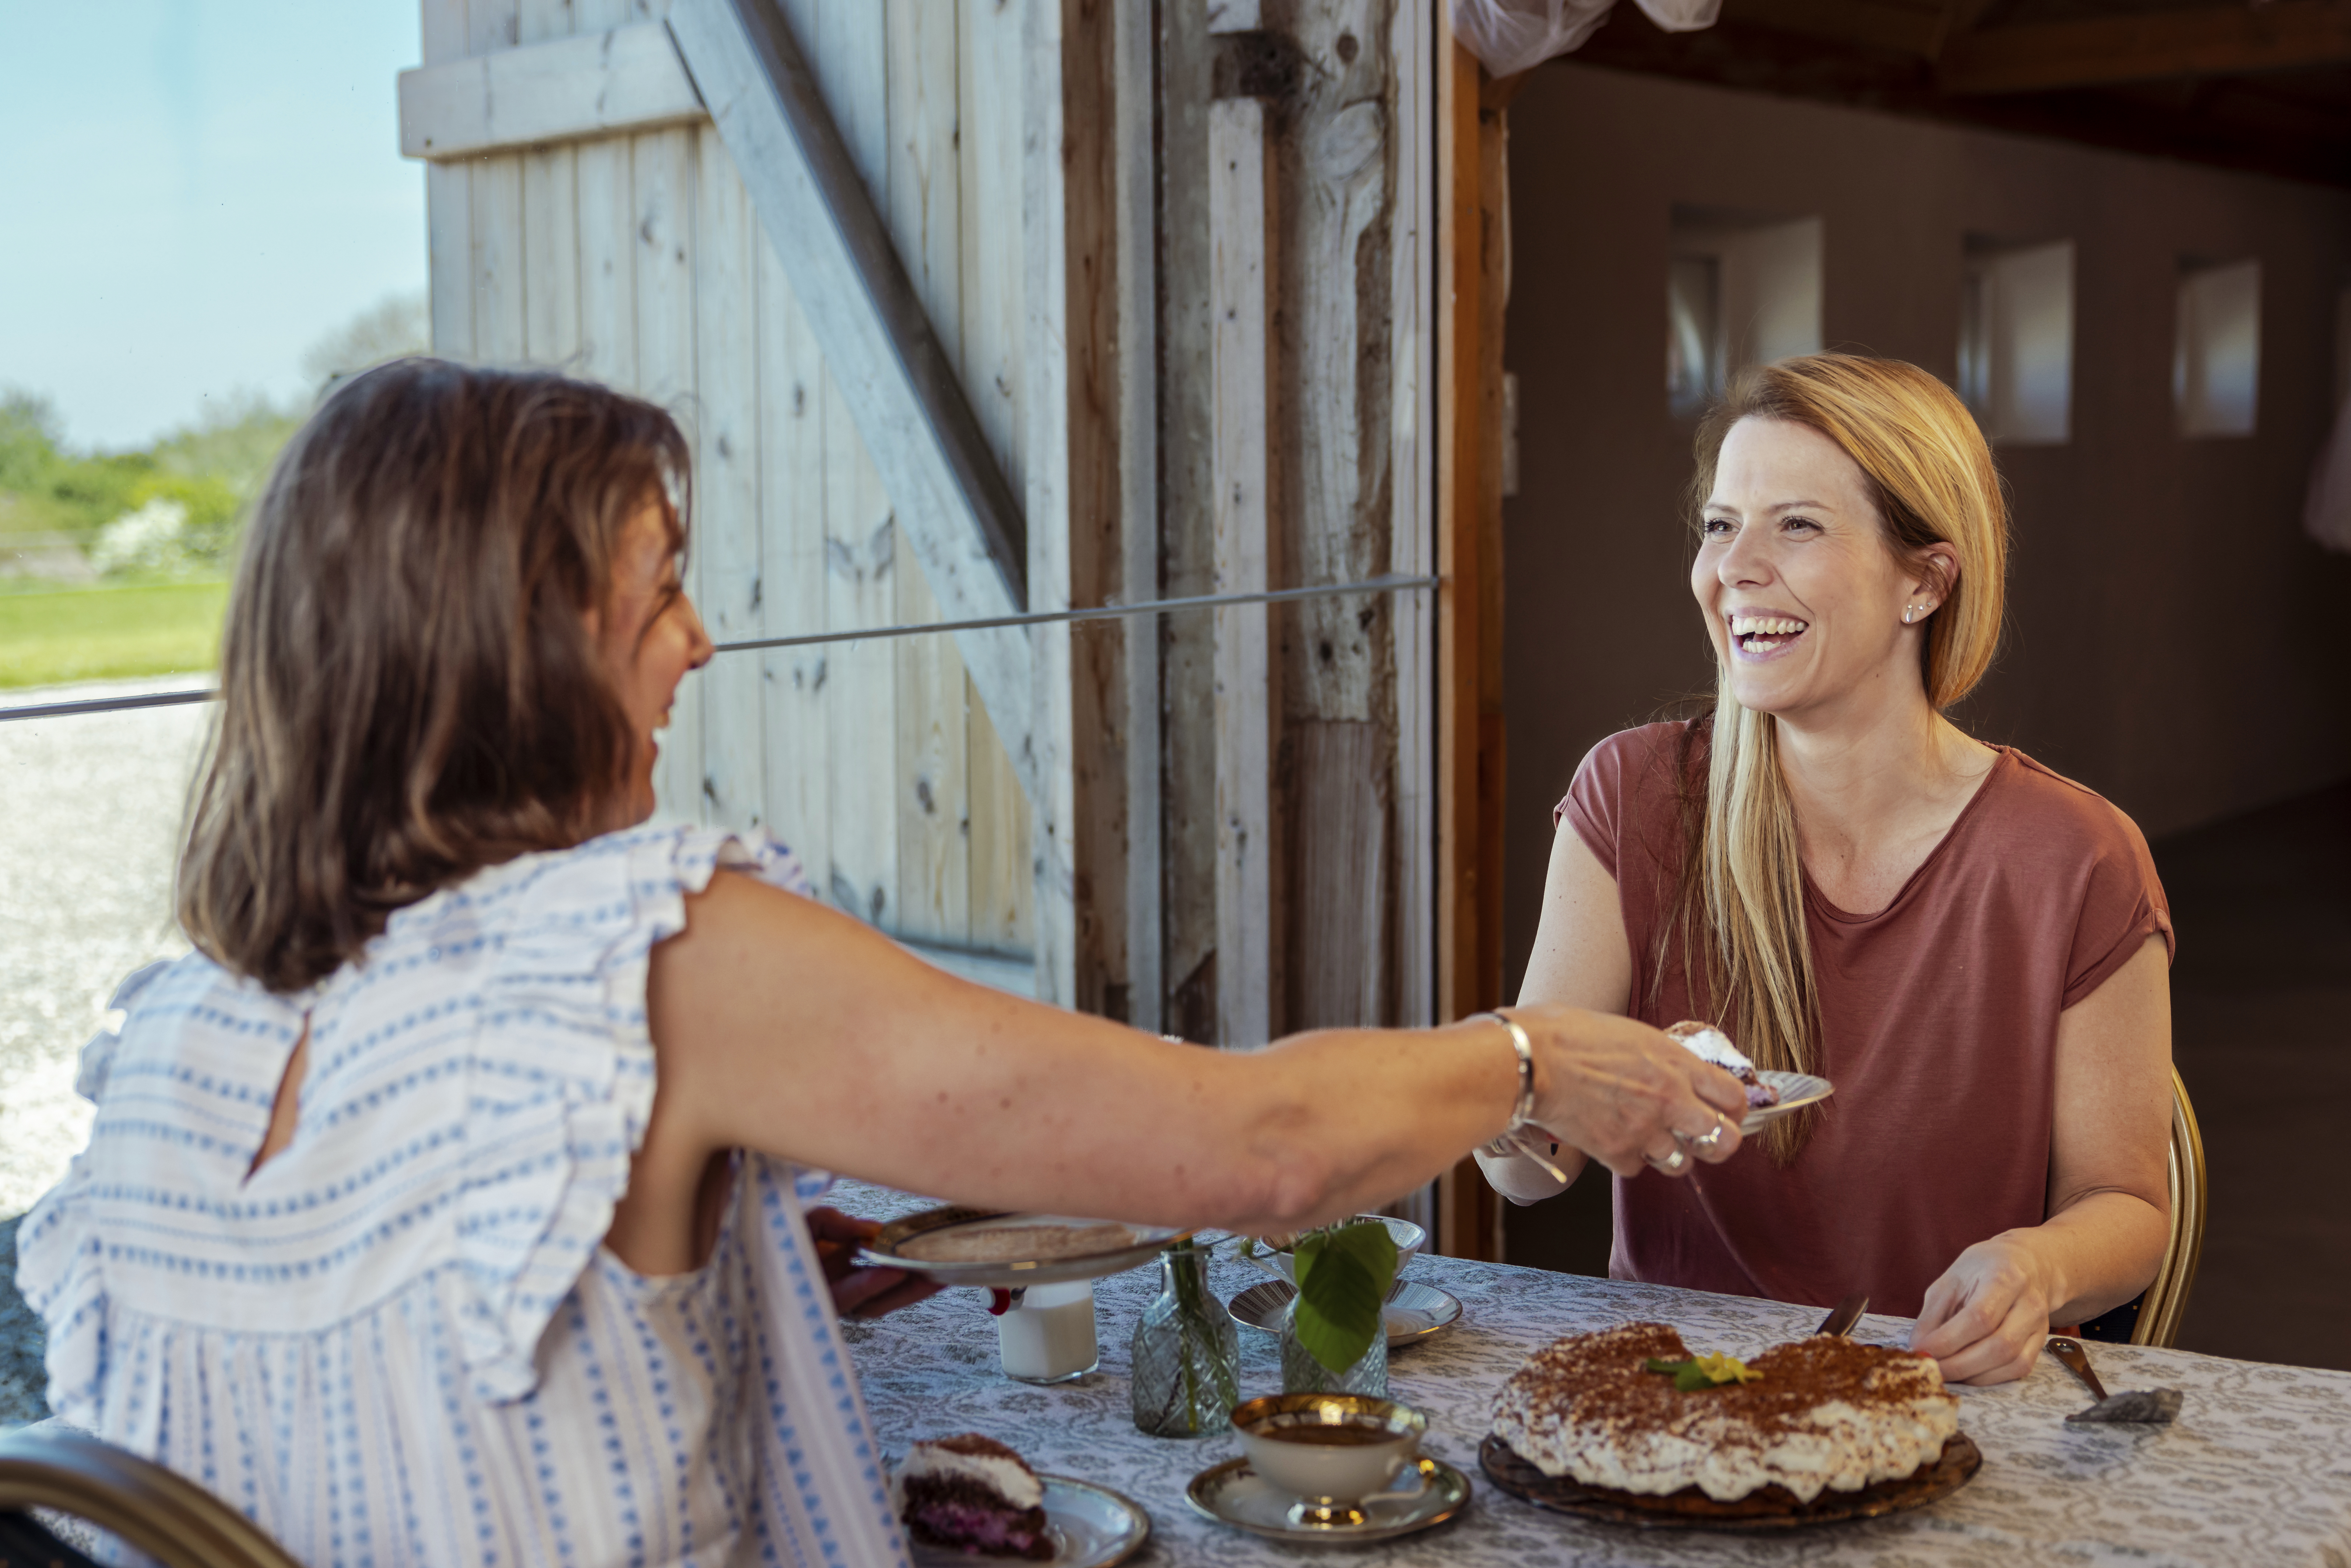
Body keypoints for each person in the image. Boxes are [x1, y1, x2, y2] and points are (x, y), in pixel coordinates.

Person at [15, 361, 1751, 1568]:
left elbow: (377, 1376)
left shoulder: (176, 1029)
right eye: (662, 588)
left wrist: (734, 1274)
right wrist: (1531, 1056)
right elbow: (1262, 1151)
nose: (701, 640)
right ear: (522, 640)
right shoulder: (653, 948)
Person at [1477, 353, 2175, 1387]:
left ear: (1926, 580)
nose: (1734, 569)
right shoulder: (1632, 797)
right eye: (1720, 525)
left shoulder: (2076, 856)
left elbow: (2130, 1207)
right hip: (1673, 1401)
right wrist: (1533, 1099)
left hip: (1936, 1397)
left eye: (1796, 524)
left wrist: (2036, 1261)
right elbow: (1521, 1174)